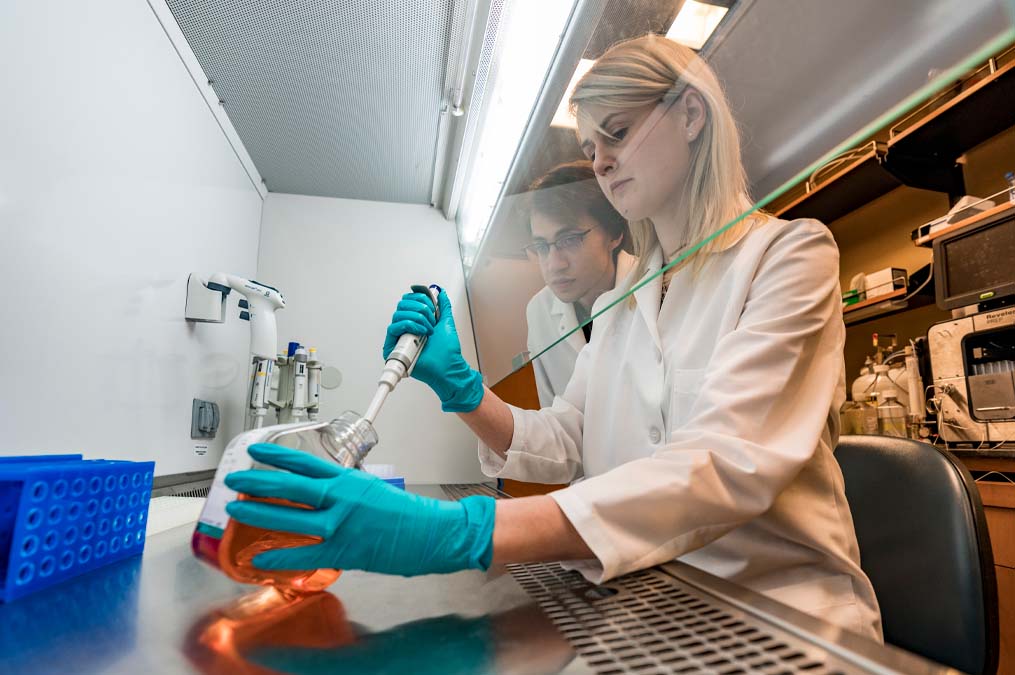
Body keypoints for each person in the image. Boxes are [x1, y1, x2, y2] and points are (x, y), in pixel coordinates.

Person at [224, 34, 882, 641]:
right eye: (592, 147)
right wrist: (462, 389)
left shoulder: (789, 257)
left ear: (689, 114)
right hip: (659, 596)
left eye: (616, 134)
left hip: (783, 613)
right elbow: (568, 437)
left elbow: (718, 463)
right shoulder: (628, 297)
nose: (600, 162)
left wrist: (463, 531)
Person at [524, 160, 635, 406]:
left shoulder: (654, 286)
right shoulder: (538, 311)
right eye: (542, 247)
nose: (554, 264)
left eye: (570, 240)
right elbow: (550, 413)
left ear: (615, 233)